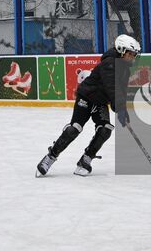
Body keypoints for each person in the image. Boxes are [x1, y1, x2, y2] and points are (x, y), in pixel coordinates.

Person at [37, 33, 140, 177]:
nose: (133, 57)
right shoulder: (109, 63)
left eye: (135, 54)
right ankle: (50, 157)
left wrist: (123, 110)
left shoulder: (124, 68)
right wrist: (119, 107)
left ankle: (86, 159)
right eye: (131, 54)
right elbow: (112, 87)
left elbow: (121, 90)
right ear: (121, 51)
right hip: (86, 97)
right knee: (74, 129)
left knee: (105, 129)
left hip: (100, 102)